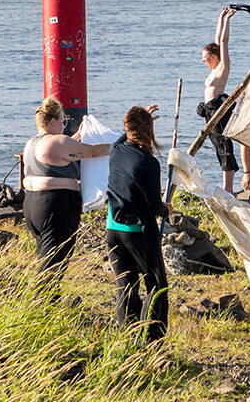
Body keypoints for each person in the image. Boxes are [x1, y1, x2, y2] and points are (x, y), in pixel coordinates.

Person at [22, 96, 112, 285]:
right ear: (53, 121)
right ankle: (43, 307)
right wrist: (123, 144)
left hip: (31, 205)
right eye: (63, 121)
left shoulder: (31, 142)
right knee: (53, 266)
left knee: (46, 258)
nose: (64, 125)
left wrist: (76, 137)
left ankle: (46, 304)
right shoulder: (58, 142)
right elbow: (94, 151)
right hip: (55, 206)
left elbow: (58, 152)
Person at [105, 105, 170, 342]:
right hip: (138, 231)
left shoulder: (115, 150)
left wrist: (142, 116)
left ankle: (127, 338)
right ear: (148, 131)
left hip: (113, 228)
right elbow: (154, 205)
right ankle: (151, 341)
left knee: (126, 285)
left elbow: (123, 135)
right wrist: (166, 209)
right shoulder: (149, 162)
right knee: (155, 285)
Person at [198, 7, 238, 194]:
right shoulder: (214, 69)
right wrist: (220, 17)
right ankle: (227, 185)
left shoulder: (222, 67)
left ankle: (228, 187)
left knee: (223, 146)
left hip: (218, 111)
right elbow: (217, 39)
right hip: (209, 111)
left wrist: (229, 20)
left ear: (214, 57)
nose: (204, 62)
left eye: (206, 58)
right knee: (216, 144)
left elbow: (223, 41)